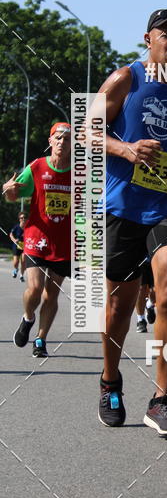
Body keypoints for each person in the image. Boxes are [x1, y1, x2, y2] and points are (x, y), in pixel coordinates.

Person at [95, 8, 167, 437]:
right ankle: (110, 381)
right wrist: (126, 151)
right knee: (119, 306)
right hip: (124, 204)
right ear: (148, 38)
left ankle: (162, 400)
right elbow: (87, 128)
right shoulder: (125, 80)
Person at [2, 122, 72, 357]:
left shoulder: (80, 173)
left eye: (67, 139)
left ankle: (41, 339)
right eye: (58, 138)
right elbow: (13, 195)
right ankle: (28, 317)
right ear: (50, 142)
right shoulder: (37, 167)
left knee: (51, 294)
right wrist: (8, 188)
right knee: (35, 288)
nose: (62, 142)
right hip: (36, 238)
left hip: (64, 243)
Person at [135, 258, 156, 333]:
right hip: (140, 260)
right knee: (141, 289)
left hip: (155, 259)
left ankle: (149, 305)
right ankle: (141, 320)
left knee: (156, 291)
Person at [9, 211, 27, 281]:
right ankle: (16, 269)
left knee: (23, 261)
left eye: (24, 218)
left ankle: (21, 276)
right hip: (17, 246)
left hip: (25, 247)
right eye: (21, 218)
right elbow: (11, 235)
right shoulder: (16, 227)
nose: (23, 219)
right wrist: (14, 240)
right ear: (19, 219)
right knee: (16, 262)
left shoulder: (28, 227)